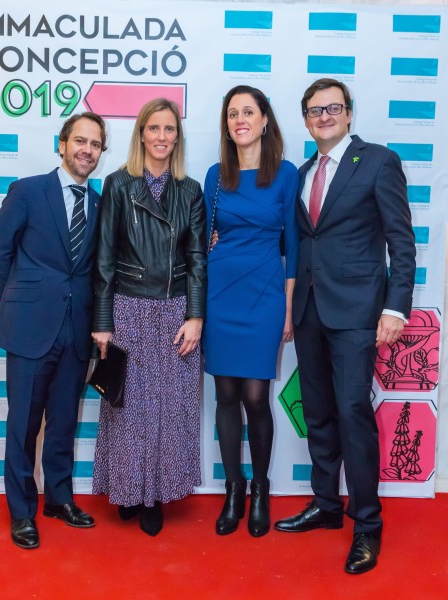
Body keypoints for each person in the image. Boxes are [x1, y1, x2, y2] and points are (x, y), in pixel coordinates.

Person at [274, 78, 416, 574]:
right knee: (317, 412)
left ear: (349, 113)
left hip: (357, 312)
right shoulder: (303, 172)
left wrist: (395, 309)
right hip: (310, 310)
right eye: (315, 110)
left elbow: (402, 241)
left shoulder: (378, 161)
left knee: (353, 411)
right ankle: (326, 505)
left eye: (333, 107)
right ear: (305, 119)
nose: (324, 116)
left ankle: (367, 524)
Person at [0, 112, 107, 549]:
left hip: (76, 331)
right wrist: (20, 304)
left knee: (63, 423)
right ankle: (22, 511)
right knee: (23, 425)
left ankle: (58, 499)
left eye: (95, 144)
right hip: (29, 329)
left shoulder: (100, 204)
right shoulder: (28, 190)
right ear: (62, 144)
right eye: (80, 141)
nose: (87, 150)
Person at [91, 98, 206, 537]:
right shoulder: (118, 184)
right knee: (128, 408)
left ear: (177, 137)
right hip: (128, 307)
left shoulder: (190, 190)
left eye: (169, 129)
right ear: (141, 134)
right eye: (154, 128)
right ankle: (128, 488)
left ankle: (155, 494)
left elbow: (197, 259)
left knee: (169, 408)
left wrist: (195, 315)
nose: (161, 136)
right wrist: (103, 320)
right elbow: (104, 259)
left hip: (175, 311)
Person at [203, 85, 299, 537]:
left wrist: (289, 309)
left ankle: (261, 488)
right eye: (232, 113)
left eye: (248, 112)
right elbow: (201, 236)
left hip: (266, 295)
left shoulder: (285, 174)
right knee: (225, 396)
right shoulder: (214, 175)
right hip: (220, 293)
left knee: (256, 398)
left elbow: (294, 245)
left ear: (264, 121)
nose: (239, 119)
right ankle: (233, 489)